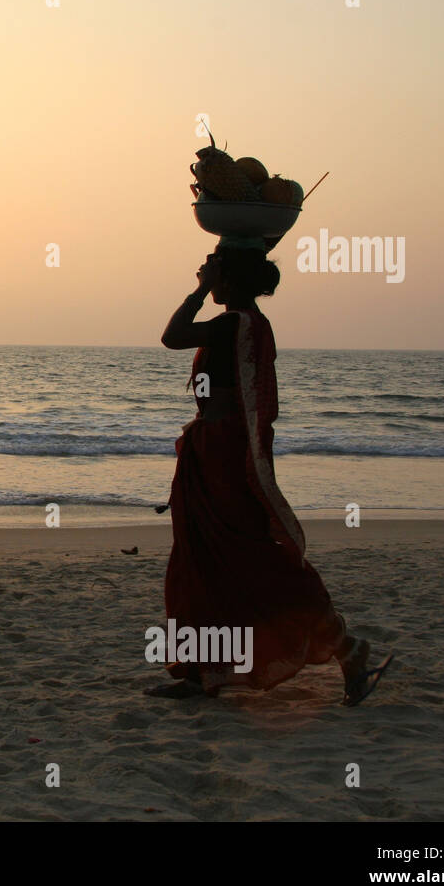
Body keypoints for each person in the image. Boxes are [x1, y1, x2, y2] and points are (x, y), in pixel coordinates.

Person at [152, 246, 392, 706]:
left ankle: (347, 647)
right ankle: (202, 673)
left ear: (232, 281)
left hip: (222, 453)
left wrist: (198, 289)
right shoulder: (253, 325)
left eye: (217, 273)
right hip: (217, 449)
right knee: (202, 559)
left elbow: (173, 335)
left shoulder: (235, 324)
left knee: (248, 558)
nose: (209, 278)